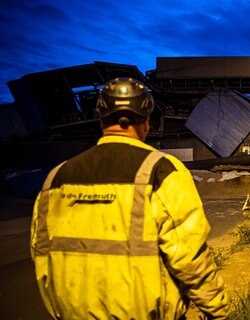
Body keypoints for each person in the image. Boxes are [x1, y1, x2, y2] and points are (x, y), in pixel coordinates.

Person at [30, 78, 230, 319]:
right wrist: (219, 312)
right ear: (146, 121)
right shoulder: (162, 171)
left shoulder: (57, 177)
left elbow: (41, 254)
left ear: (101, 119)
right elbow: (190, 259)